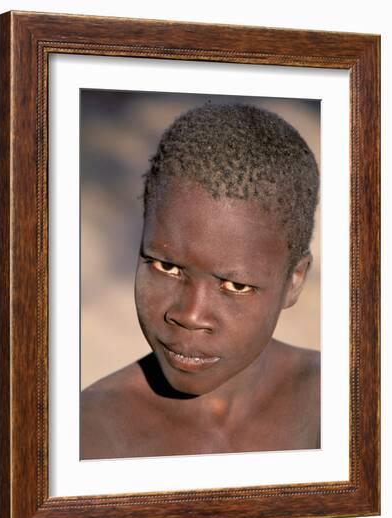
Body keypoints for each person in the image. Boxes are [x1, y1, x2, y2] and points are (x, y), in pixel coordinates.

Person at [80, 103, 320, 459]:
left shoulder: (345, 402)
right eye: (166, 266)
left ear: (294, 281)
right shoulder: (88, 433)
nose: (190, 315)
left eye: (235, 286)